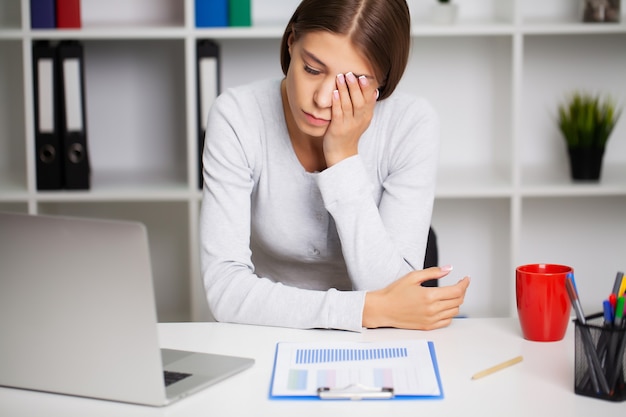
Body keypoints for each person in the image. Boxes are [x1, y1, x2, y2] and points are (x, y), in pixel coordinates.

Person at [200, 0, 470, 332]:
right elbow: (224, 290)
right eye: (312, 69)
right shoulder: (237, 116)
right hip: (271, 332)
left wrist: (343, 156)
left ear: (381, 82)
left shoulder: (411, 123)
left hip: (378, 342)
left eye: (351, 84)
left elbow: (395, 290)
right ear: (291, 43)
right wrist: (361, 311)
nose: (323, 98)